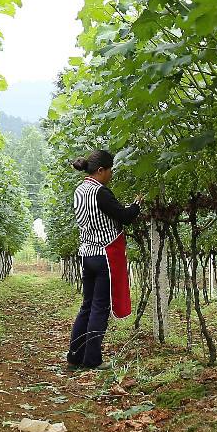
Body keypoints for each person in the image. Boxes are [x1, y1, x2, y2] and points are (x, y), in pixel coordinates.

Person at [66, 149, 141, 371]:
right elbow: (124, 217)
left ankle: (75, 356)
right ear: (101, 170)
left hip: (86, 254)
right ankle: (92, 360)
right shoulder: (101, 193)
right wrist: (136, 205)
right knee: (100, 307)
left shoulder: (79, 191)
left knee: (87, 306)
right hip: (104, 255)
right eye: (110, 171)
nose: (111, 175)